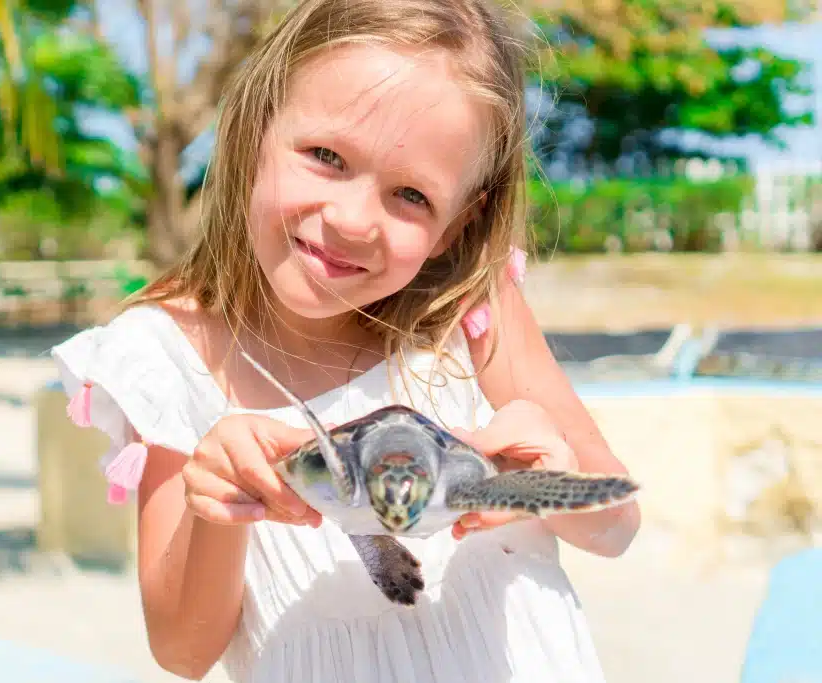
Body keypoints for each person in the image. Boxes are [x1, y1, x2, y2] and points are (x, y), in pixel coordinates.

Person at [51, 0, 641, 681]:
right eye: (326, 157)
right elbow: (183, 649)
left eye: (412, 196)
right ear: (254, 129)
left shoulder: (469, 311)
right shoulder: (170, 358)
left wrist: (548, 482)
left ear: (456, 223)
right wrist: (217, 504)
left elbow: (617, 524)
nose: (354, 220)